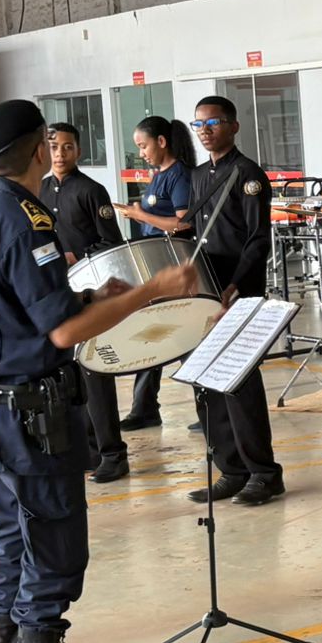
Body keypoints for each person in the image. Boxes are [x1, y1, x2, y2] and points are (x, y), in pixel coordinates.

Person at [0, 100, 197, 643]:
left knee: (14, 541)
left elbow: (17, 304)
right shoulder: (25, 216)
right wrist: (150, 292)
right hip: (29, 417)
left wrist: (92, 294)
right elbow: (60, 333)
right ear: (38, 150)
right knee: (54, 546)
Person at [182, 96, 284, 507]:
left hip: (237, 291)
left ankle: (263, 473)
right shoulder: (197, 176)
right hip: (206, 290)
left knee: (239, 383)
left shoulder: (248, 175)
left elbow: (259, 240)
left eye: (214, 122)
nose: (205, 130)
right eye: (199, 124)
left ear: (233, 126)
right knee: (207, 381)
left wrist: (238, 285)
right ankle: (232, 469)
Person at [36, 123, 131, 484]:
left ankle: (112, 453)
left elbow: (113, 242)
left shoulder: (92, 191)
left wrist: (82, 256)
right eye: (54, 147)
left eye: (67, 147)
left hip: (91, 290)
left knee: (96, 373)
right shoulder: (40, 189)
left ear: (78, 151)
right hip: (58, 291)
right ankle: (87, 449)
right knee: (70, 375)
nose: (60, 154)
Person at [111, 115, 196, 433]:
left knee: (183, 334)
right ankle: (144, 407)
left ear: (162, 142)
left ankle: (207, 401)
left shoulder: (179, 176)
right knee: (154, 333)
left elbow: (182, 223)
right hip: (153, 265)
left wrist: (138, 214)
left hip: (173, 265)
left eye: (143, 145)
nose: (141, 152)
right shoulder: (159, 175)